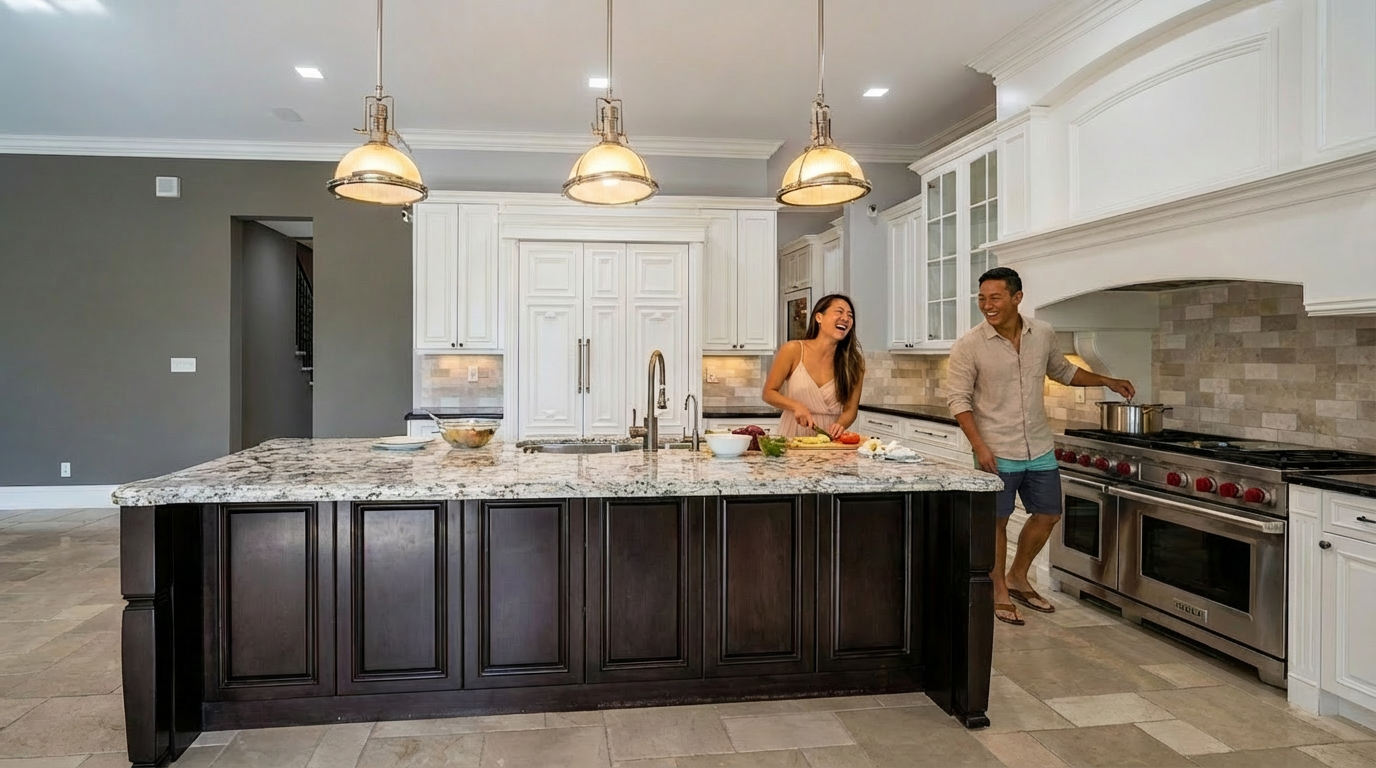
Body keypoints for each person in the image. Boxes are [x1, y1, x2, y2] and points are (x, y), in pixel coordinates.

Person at [947, 267, 1135, 626]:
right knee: (996, 522)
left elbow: (1063, 372)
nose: (987, 305)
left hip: (1039, 444)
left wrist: (1107, 380)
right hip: (996, 447)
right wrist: (980, 448)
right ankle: (998, 589)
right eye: (982, 298)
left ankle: (1018, 576)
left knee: (1049, 513)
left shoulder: (1043, 333)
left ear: (1017, 298)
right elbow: (958, 400)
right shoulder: (969, 344)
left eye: (995, 297)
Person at [763, 294, 866, 439]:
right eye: (839, 311)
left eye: (850, 315)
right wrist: (796, 406)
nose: (846, 318)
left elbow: (850, 410)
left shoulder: (854, 362)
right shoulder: (793, 350)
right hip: (794, 435)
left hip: (829, 442)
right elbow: (768, 393)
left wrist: (840, 425)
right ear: (819, 317)